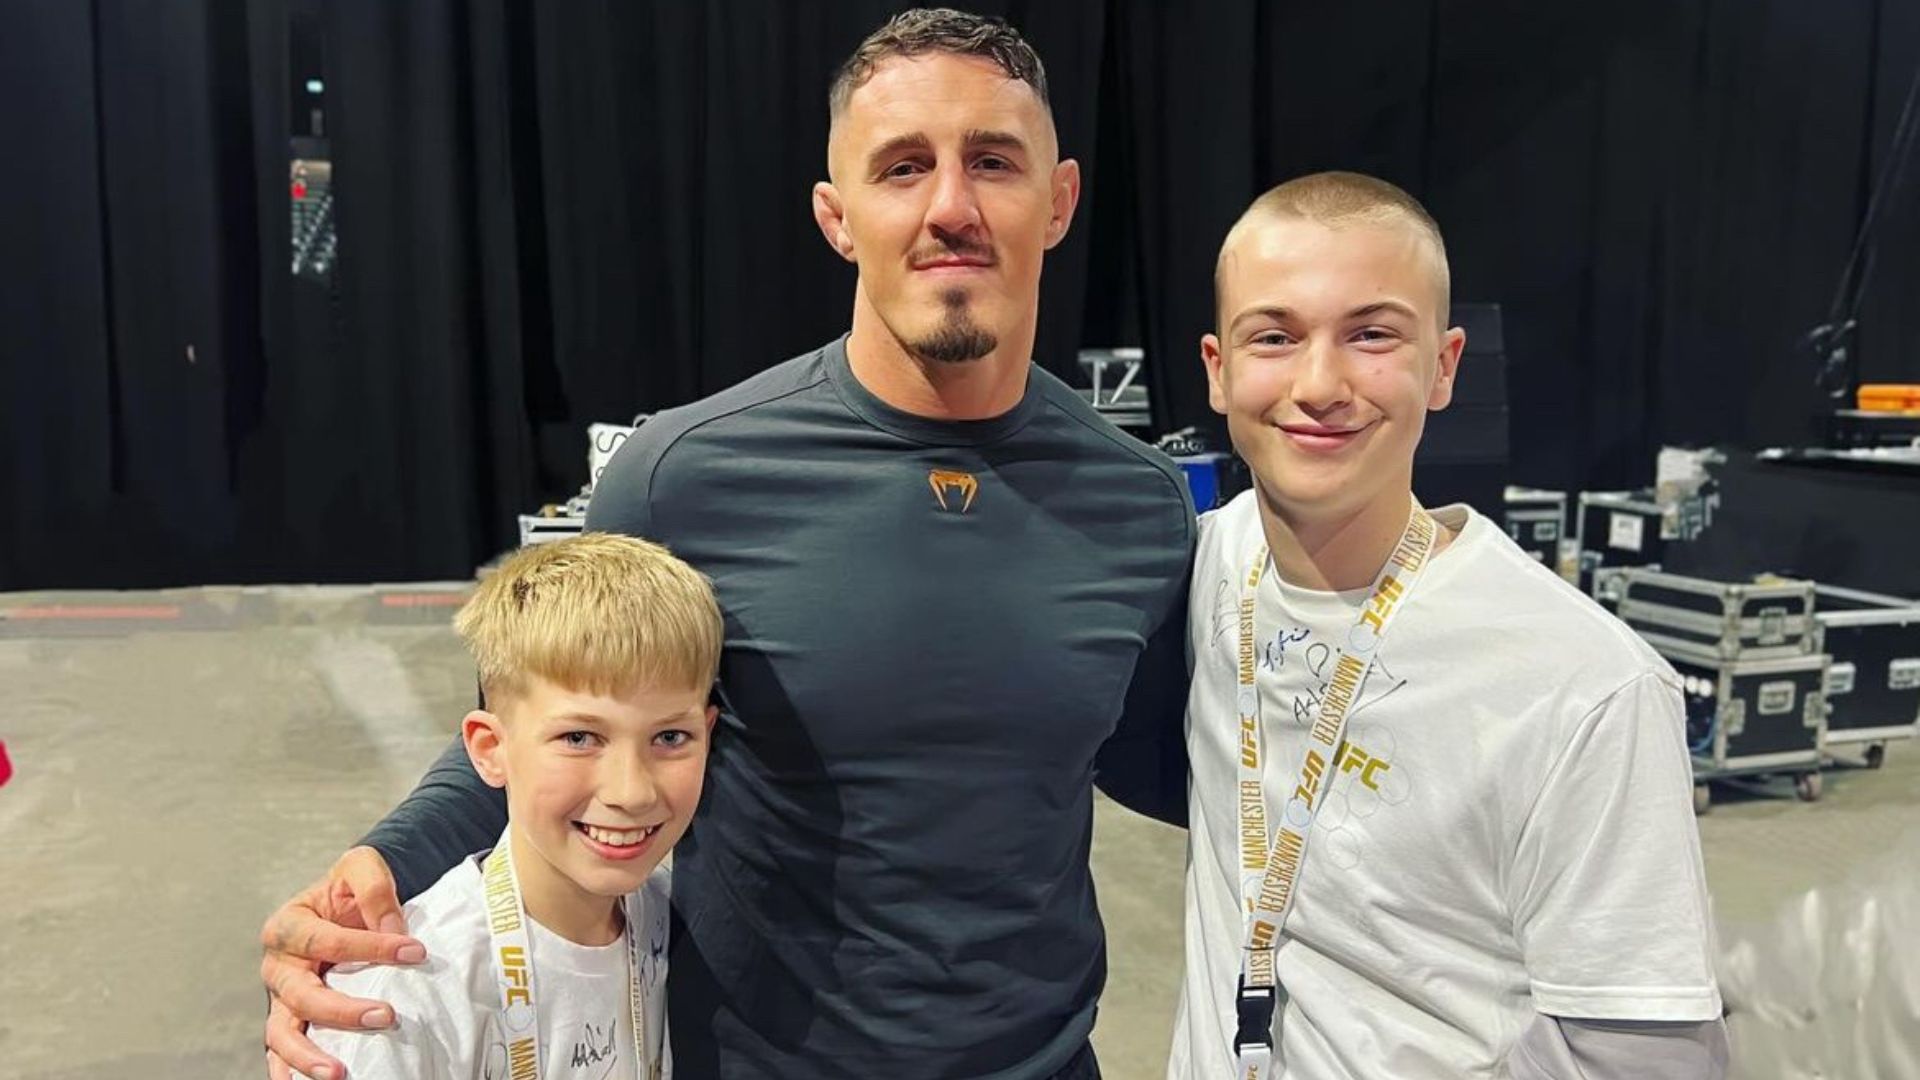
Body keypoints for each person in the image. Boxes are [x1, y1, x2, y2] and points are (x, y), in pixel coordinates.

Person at [260, 10, 1194, 1080]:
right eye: (902, 168)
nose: (950, 207)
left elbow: (1178, 767)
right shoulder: (683, 477)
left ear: (1059, 200)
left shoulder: (1140, 504)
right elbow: (542, 723)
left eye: (993, 162)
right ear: (837, 217)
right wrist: (367, 880)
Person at [1170, 172, 1729, 1079]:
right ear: (1218, 370)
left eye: (1372, 335)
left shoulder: (1587, 686)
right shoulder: (1204, 567)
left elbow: (1650, 1058)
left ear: (1444, 366)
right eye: (1274, 336)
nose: (1320, 384)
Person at [307, 533, 721, 1078]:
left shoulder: (676, 925)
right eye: (579, 738)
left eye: (669, 738)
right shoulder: (403, 994)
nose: (631, 791)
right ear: (490, 749)